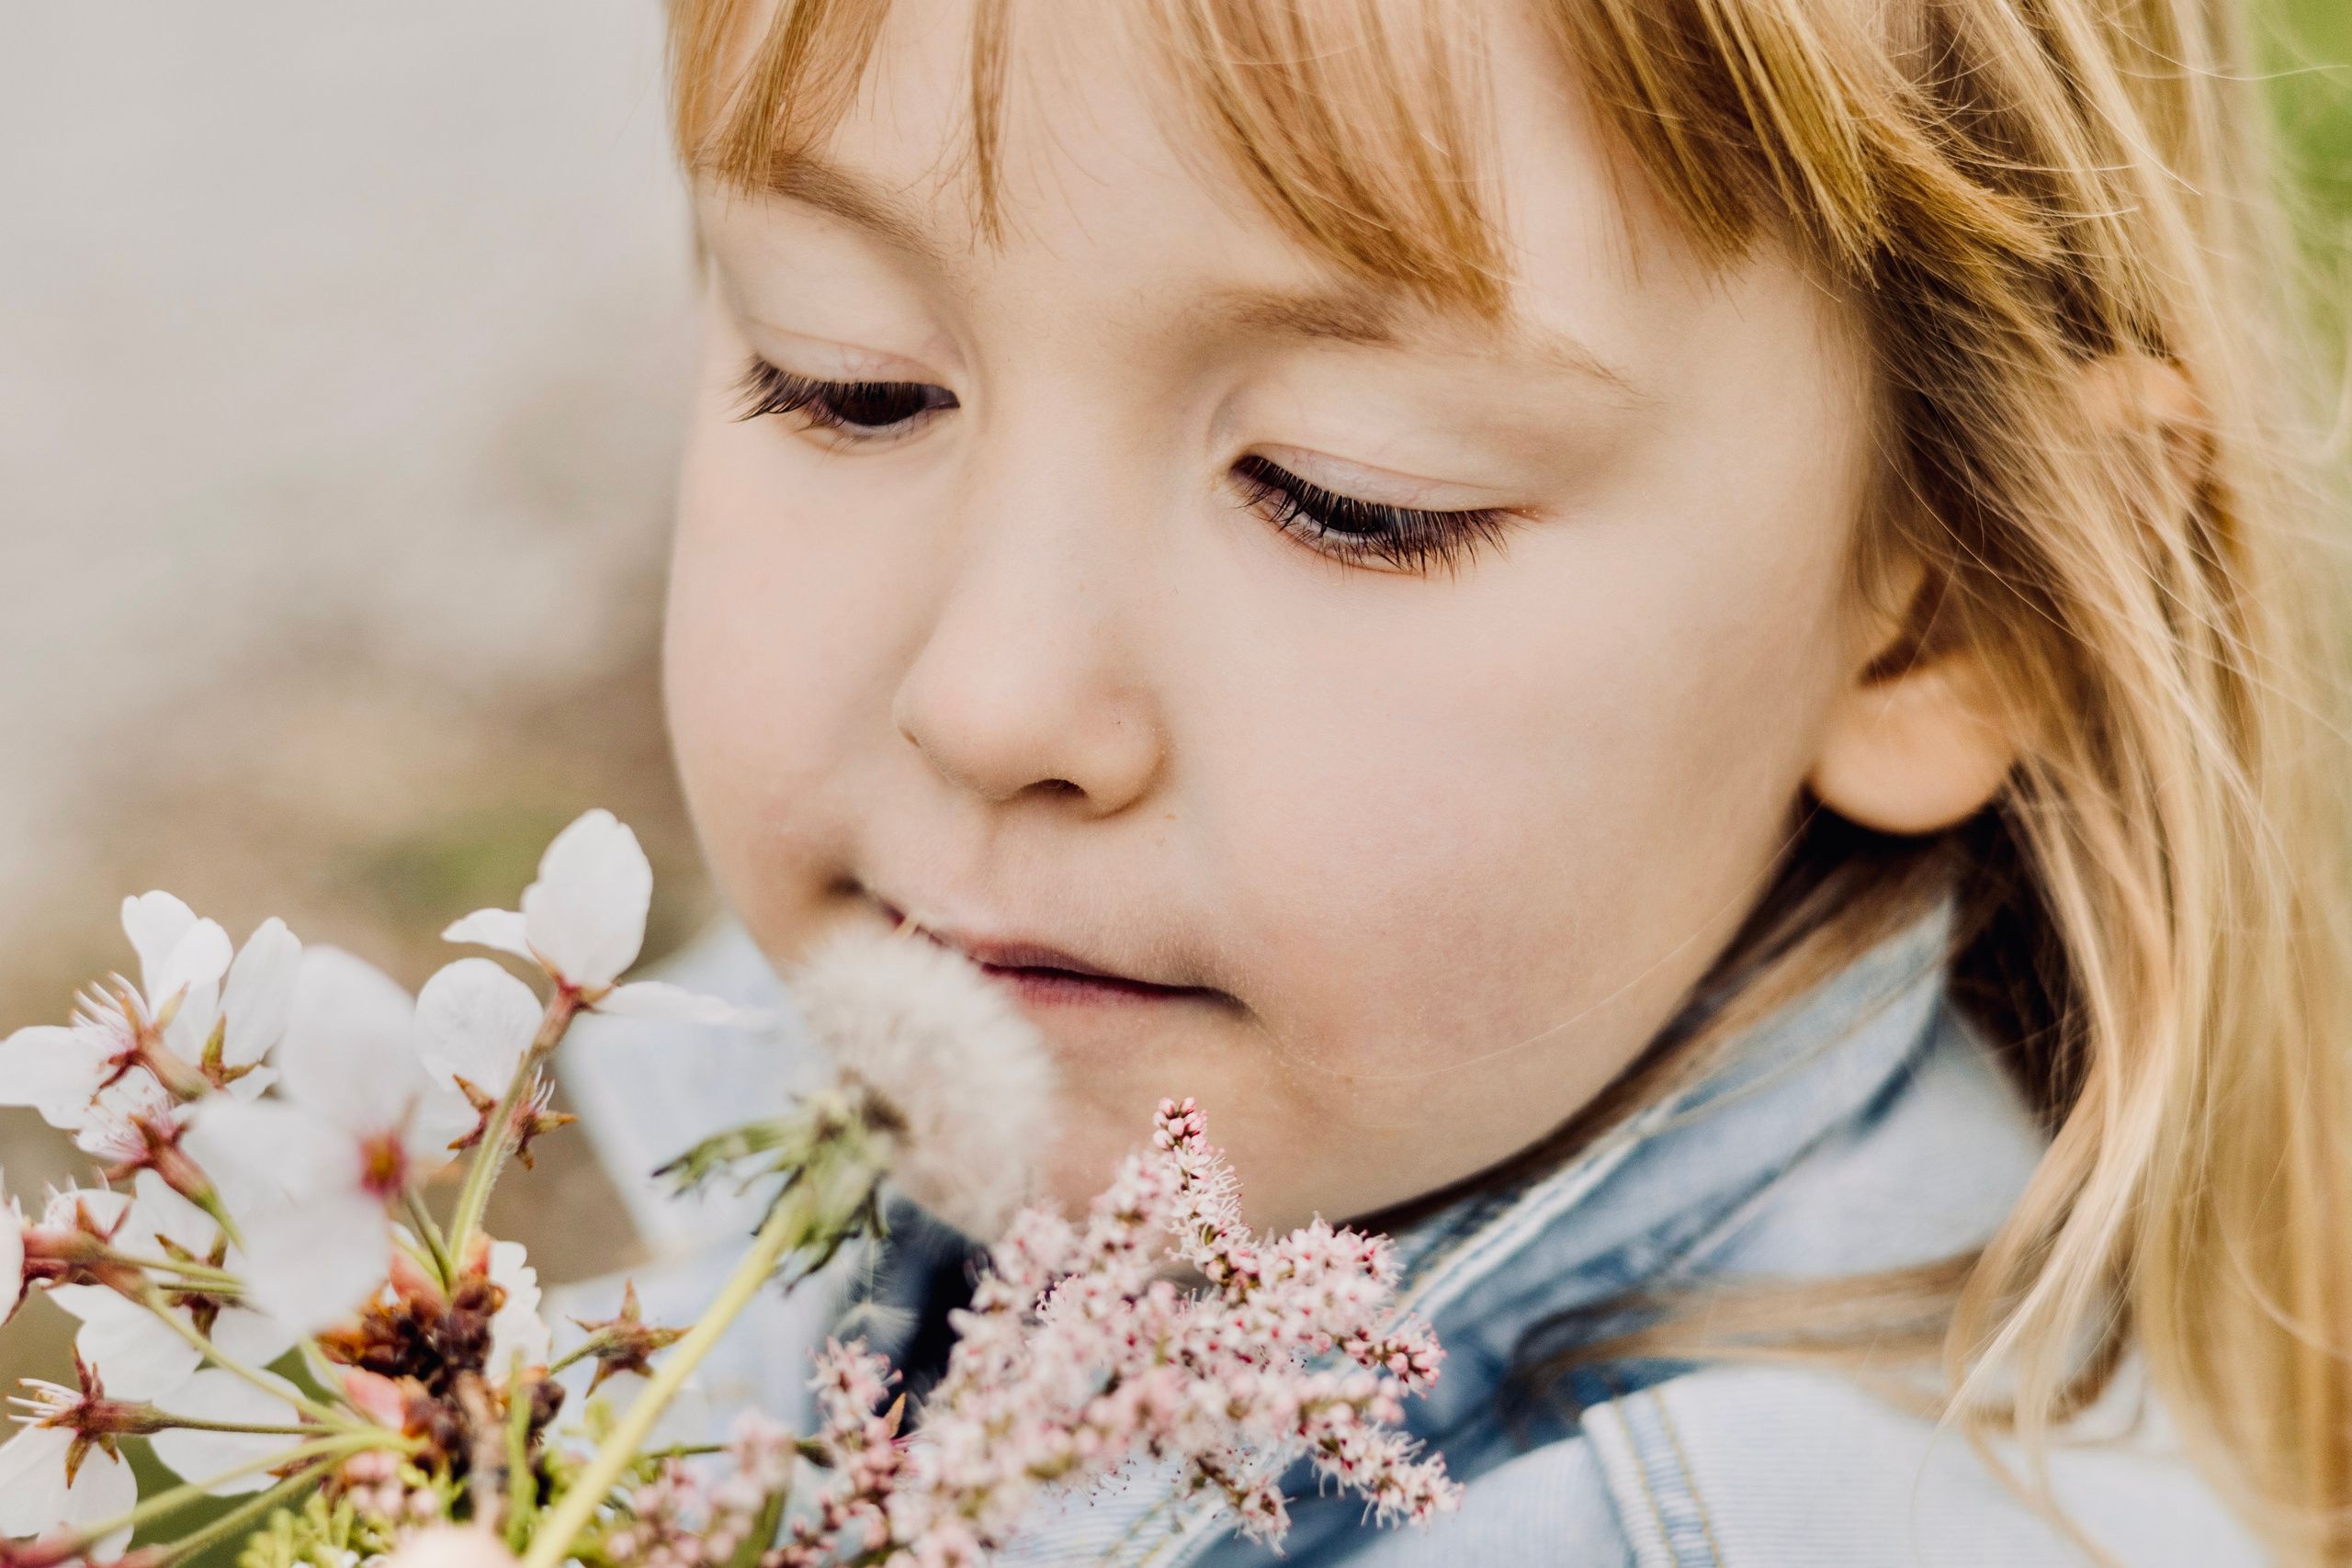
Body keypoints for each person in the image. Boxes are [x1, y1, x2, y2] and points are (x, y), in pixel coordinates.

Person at [567, 0, 2352, 1561]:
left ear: (1941, 606)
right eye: (847, 382)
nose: (984, 697)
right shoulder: (884, 1008)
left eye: (1347, 493)